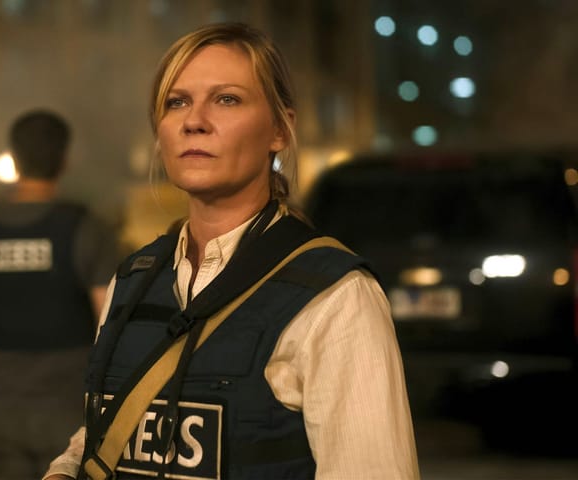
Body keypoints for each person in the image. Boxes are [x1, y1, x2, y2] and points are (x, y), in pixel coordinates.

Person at [43, 23, 419, 480]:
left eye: (227, 99)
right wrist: (64, 470)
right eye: (176, 102)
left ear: (279, 129)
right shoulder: (133, 278)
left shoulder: (335, 297)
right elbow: (107, 428)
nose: (194, 121)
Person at [0, 109, 119, 480]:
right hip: (69, 411)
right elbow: (110, 322)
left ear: (14, 158)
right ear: (65, 161)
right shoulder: (84, 226)